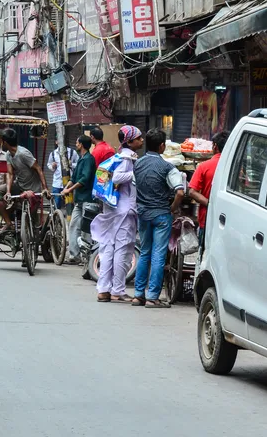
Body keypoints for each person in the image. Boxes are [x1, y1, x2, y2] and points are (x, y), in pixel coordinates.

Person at [131, 128, 185, 308]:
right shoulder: (168, 167)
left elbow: (134, 185)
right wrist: (172, 208)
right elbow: (180, 192)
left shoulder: (137, 164)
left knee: (145, 252)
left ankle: (138, 295)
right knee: (158, 254)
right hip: (161, 214)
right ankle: (153, 296)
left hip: (143, 214)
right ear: (162, 146)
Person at [92, 126, 143, 302]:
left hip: (112, 208)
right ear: (129, 141)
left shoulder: (118, 156)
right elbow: (118, 178)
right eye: (138, 138)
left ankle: (103, 289)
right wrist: (136, 172)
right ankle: (117, 291)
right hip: (124, 211)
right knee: (123, 249)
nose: (141, 141)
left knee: (107, 248)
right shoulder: (128, 158)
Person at [0, 128, 48, 233]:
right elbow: (10, 173)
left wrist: (45, 188)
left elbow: (38, 169)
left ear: (5, 142)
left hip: (33, 188)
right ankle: (9, 223)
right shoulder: (8, 154)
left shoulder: (23, 153)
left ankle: (33, 232)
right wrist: (8, 191)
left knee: (32, 219)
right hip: (19, 185)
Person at [188, 131, 229, 242]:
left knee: (205, 252)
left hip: (207, 218)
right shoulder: (235, 168)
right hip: (230, 220)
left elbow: (192, 192)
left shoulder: (204, 166)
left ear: (215, 146)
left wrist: (209, 203)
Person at [61, 136, 96, 265]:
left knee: (86, 229)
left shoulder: (88, 160)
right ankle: (74, 255)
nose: (75, 144)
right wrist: (66, 188)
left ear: (81, 144)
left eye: (76, 142)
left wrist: (70, 190)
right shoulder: (82, 159)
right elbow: (74, 178)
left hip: (87, 199)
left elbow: (84, 179)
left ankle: (86, 257)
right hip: (79, 200)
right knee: (73, 226)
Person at [47, 141, 79, 211]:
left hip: (69, 183)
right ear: (56, 142)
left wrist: (71, 165)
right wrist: (52, 166)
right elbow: (48, 164)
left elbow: (79, 164)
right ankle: (56, 220)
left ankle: (69, 220)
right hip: (57, 183)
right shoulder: (53, 153)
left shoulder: (72, 152)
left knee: (69, 205)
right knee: (56, 204)